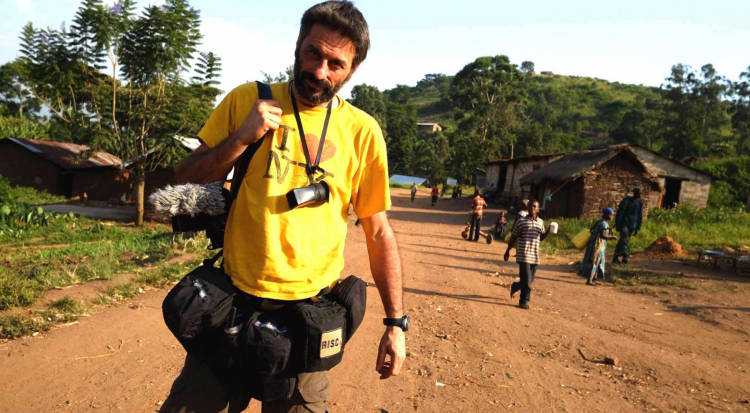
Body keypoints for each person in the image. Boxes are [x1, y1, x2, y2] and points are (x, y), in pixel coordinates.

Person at [165, 2, 407, 412]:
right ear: (297, 46)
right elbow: (184, 178)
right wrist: (242, 138)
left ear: (353, 69)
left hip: (308, 317)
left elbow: (378, 231)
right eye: (313, 53)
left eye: (336, 63)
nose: (320, 71)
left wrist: (396, 324)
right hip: (232, 303)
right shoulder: (248, 99)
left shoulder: (363, 132)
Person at [504, 200, 551, 309]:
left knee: (529, 280)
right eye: (530, 206)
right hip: (524, 255)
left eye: (534, 207)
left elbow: (541, 238)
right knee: (526, 281)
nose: (532, 208)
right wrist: (508, 250)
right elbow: (514, 236)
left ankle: (515, 286)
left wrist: (548, 231)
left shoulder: (540, 222)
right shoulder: (521, 221)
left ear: (538, 209)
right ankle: (524, 301)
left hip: (534, 256)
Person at [579, 207, 618, 285]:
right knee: (594, 262)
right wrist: (612, 237)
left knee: (597, 261)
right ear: (606, 215)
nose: (612, 217)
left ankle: (593, 279)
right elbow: (603, 235)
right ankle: (589, 280)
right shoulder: (604, 223)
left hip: (595, 245)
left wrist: (608, 230)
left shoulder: (600, 222)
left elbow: (592, 229)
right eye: (610, 215)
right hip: (597, 246)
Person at [613, 188, 644, 264]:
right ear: (635, 193)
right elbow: (620, 212)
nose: (640, 195)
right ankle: (625, 256)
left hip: (632, 225)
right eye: (639, 193)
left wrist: (637, 228)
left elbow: (639, 216)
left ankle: (615, 257)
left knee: (622, 241)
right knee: (624, 239)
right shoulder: (627, 201)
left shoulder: (639, 203)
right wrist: (618, 224)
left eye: (641, 193)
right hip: (624, 223)